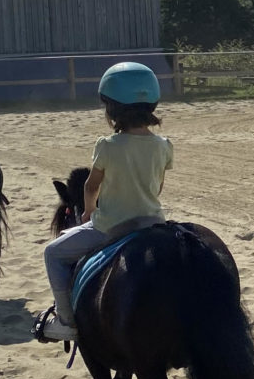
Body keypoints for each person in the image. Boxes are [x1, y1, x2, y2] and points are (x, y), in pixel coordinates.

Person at [34, 61, 172, 343]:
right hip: (153, 222)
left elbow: (91, 185)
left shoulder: (106, 145)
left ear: (112, 109)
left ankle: (66, 322)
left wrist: (87, 213)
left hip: (111, 226)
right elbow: (157, 187)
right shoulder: (164, 145)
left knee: (53, 254)